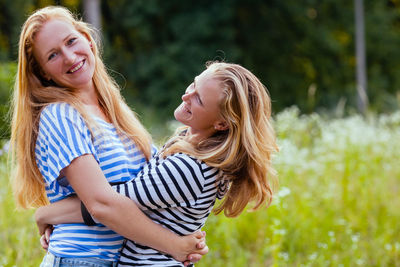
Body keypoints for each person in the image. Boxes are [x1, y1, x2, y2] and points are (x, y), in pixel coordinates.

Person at [10, 6, 207, 267]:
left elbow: (147, 191)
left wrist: (49, 213)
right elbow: (102, 204)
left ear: (88, 40)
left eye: (71, 41)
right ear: (44, 72)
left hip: (125, 259)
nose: (69, 57)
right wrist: (174, 246)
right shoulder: (60, 116)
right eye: (53, 55)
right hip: (82, 259)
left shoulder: (116, 114)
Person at [34, 61, 279, 266]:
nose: (186, 95)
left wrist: (46, 214)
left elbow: (109, 202)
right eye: (193, 84)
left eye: (199, 100)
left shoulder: (190, 168)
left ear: (222, 124)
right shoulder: (188, 145)